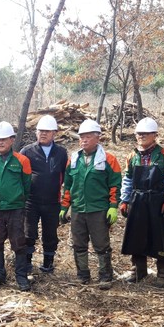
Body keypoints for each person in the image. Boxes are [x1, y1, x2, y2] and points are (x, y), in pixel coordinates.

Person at [60, 119, 121, 290]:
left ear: (98, 138)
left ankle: (105, 276)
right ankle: (83, 275)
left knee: (101, 244)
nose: (84, 140)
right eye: (81, 137)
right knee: (79, 243)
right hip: (78, 209)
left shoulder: (108, 160)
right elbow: (68, 185)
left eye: (88, 137)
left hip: (98, 210)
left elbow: (115, 185)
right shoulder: (74, 159)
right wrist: (64, 207)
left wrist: (113, 206)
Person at [119, 118, 164, 288]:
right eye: (139, 134)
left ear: (154, 135)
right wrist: (125, 200)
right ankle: (139, 269)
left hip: (157, 200)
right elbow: (128, 180)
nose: (141, 136)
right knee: (136, 234)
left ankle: (163, 273)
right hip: (137, 200)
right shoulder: (132, 156)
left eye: (146, 134)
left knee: (160, 236)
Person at [0, 121, 32, 291]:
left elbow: (27, 185)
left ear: (12, 140)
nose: (0, 143)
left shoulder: (22, 161)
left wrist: (17, 200)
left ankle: (21, 275)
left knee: (18, 243)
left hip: (16, 209)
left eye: (4, 139)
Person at [20, 115, 68, 274]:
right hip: (31, 201)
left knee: (50, 234)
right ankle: (26, 263)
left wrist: (66, 201)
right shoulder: (27, 151)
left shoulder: (61, 152)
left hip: (52, 202)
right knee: (28, 233)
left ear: (54, 133)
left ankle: (48, 263)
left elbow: (66, 176)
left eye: (47, 131)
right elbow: (18, 175)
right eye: (40, 131)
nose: (43, 134)